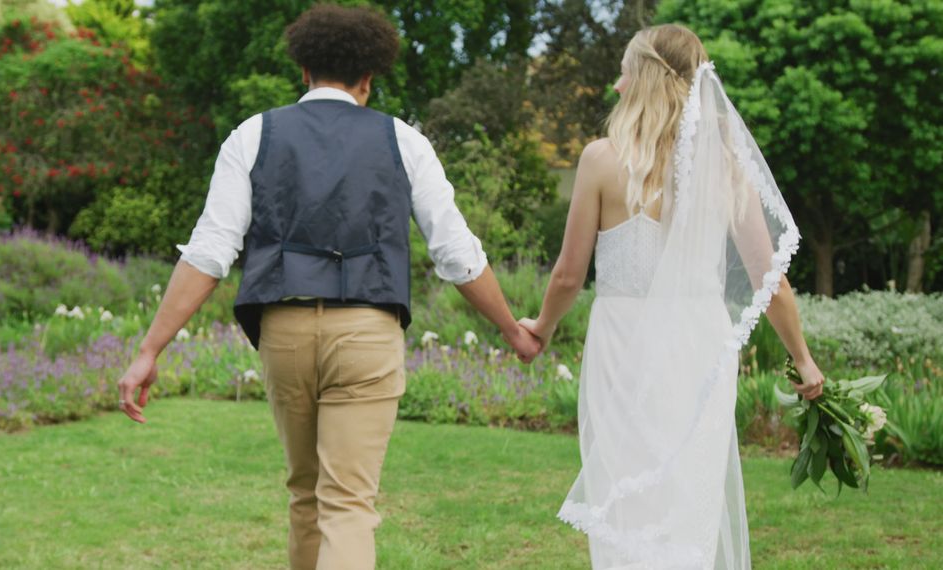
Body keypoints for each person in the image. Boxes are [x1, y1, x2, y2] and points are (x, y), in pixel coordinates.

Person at [115, 4, 540, 570]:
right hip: (367, 334)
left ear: (303, 72)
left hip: (284, 333)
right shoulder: (404, 141)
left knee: (305, 496)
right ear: (368, 78)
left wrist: (149, 349)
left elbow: (211, 252)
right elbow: (457, 254)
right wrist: (512, 330)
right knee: (347, 505)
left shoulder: (252, 135)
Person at [520, 24, 826, 569]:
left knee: (627, 498)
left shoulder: (601, 160)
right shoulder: (725, 165)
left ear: (644, 78)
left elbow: (569, 275)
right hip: (698, 347)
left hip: (623, 346)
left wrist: (540, 328)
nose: (615, 86)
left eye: (623, 71)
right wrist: (802, 357)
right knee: (688, 493)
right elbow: (769, 278)